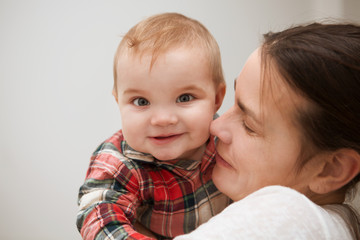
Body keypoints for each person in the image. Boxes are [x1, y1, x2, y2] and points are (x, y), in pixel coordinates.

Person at [175, 22, 360, 239]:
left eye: (249, 126)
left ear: (331, 169)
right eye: (233, 104)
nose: (216, 126)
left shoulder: (287, 217)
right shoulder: (339, 222)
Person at [76, 13, 229, 239]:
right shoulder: (119, 161)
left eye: (184, 98)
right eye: (141, 102)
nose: (162, 119)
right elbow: (98, 215)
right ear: (119, 102)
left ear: (217, 98)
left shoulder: (227, 138)